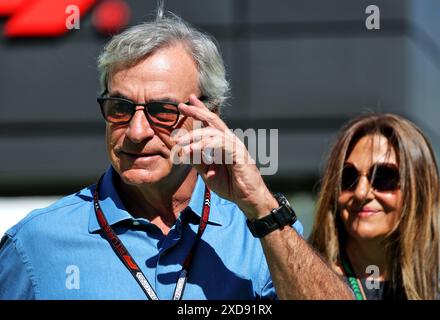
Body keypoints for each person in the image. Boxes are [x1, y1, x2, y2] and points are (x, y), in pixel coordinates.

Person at [0, 8, 352, 300]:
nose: (137, 132)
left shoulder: (258, 234)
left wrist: (262, 207)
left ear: (208, 116)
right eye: (120, 107)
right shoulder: (35, 244)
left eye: (163, 111)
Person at [309, 113, 440, 300]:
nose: (361, 192)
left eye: (383, 177)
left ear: (419, 191)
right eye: (349, 177)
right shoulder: (300, 283)